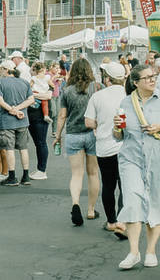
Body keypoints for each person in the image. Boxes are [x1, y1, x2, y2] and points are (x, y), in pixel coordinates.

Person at [114, 64, 160, 270]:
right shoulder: (125, 102)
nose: (152, 80)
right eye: (146, 78)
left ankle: (151, 251)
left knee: (155, 203)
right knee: (131, 202)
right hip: (131, 159)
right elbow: (119, 136)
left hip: (159, 158)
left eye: (153, 76)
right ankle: (133, 252)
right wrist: (116, 128)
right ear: (135, 82)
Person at [84, 60, 129, 239]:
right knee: (125, 186)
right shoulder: (128, 95)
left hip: (104, 147)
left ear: (107, 78)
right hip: (126, 147)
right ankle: (122, 221)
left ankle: (111, 221)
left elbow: (88, 122)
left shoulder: (98, 96)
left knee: (108, 186)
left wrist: (101, 124)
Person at [54, 56, 101, 226]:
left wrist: (57, 136)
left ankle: (75, 204)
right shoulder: (96, 88)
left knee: (76, 174)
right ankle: (90, 210)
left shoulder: (67, 91)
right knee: (93, 173)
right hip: (92, 134)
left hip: (73, 134)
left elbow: (62, 116)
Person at [0, 64, 34, 186]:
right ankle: (26, 176)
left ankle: (12, 176)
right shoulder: (24, 83)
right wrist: (18, 109)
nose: (0, 72)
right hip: (22, 119)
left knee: (9, 149)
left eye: (1, 69)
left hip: (7, 120)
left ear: (6, 70)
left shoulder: (0, 83)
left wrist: (12, 110)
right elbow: (31, 100)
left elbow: (0, 101)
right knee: (23, 148)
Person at [27, 63, 53, 180]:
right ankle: (40, 169)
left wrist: (36, 95)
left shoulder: (44, 80)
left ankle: (42, 170)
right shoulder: (36, 80)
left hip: (39, 115)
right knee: (38, 142)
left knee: (41, 142)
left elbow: (49, 96)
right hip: (33, 115)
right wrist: (40, 95)